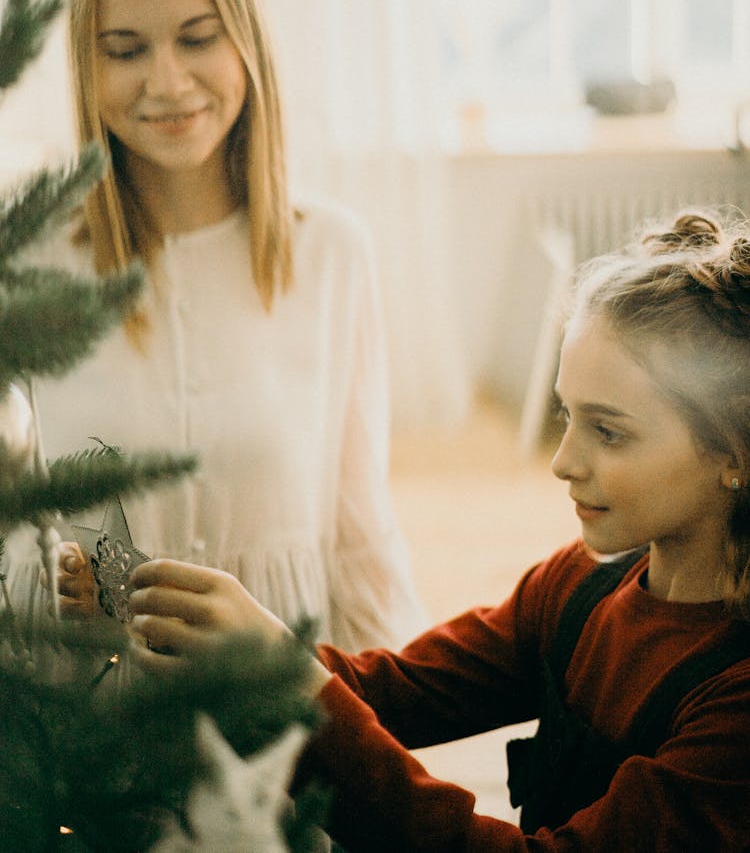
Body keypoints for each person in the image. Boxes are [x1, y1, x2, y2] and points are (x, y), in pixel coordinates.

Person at [127, 210, 750, 851]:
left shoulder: (735, 701)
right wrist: (227, 643)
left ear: (733, 452)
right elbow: (398, 689)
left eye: (609, 430)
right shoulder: (576, 584)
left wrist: (287, 684)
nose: (563, 462)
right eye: (567, 415)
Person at [8, 0, 425, 654]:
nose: (166, 82)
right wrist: (62, 583)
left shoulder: (333, 254)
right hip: (102, 712)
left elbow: (359, 531)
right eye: (126, 49)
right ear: (86, 68)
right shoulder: (29, 260)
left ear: (248, 41)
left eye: (198, 38)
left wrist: (382, 741)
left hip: (280, 700)